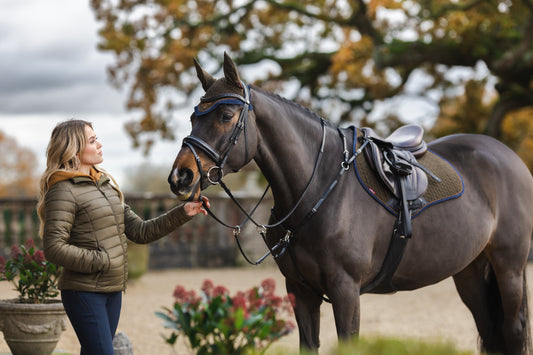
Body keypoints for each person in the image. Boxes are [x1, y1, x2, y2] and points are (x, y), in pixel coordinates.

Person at [37, 119, 209, 355]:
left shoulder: (106, 185)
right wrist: (102, 261)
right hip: (84, 292)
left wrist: (183, 212)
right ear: (74, 149)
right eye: (92, 140)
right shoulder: (63, 190)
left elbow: (140, 231)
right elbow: (54, 248)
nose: (99, 144)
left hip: (112, 290)